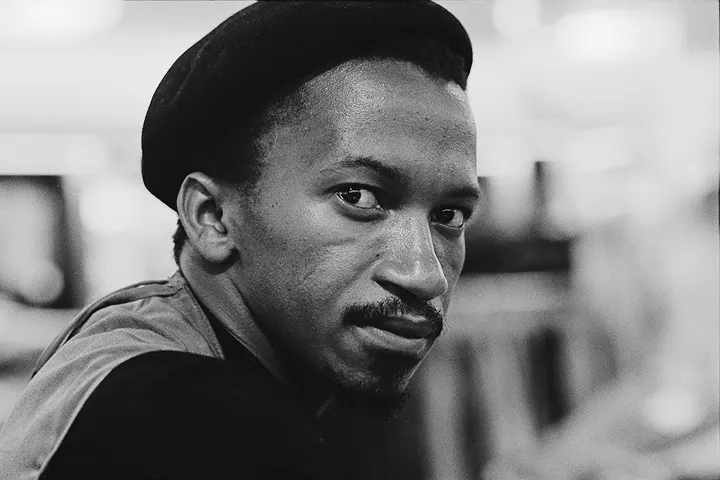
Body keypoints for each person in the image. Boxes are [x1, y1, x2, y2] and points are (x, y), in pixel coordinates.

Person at [0, 1, 480, 479]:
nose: (425, 275)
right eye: (358, 196)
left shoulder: (133, 345)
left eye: (449, 215)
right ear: (211, 217)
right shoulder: (198, 419)